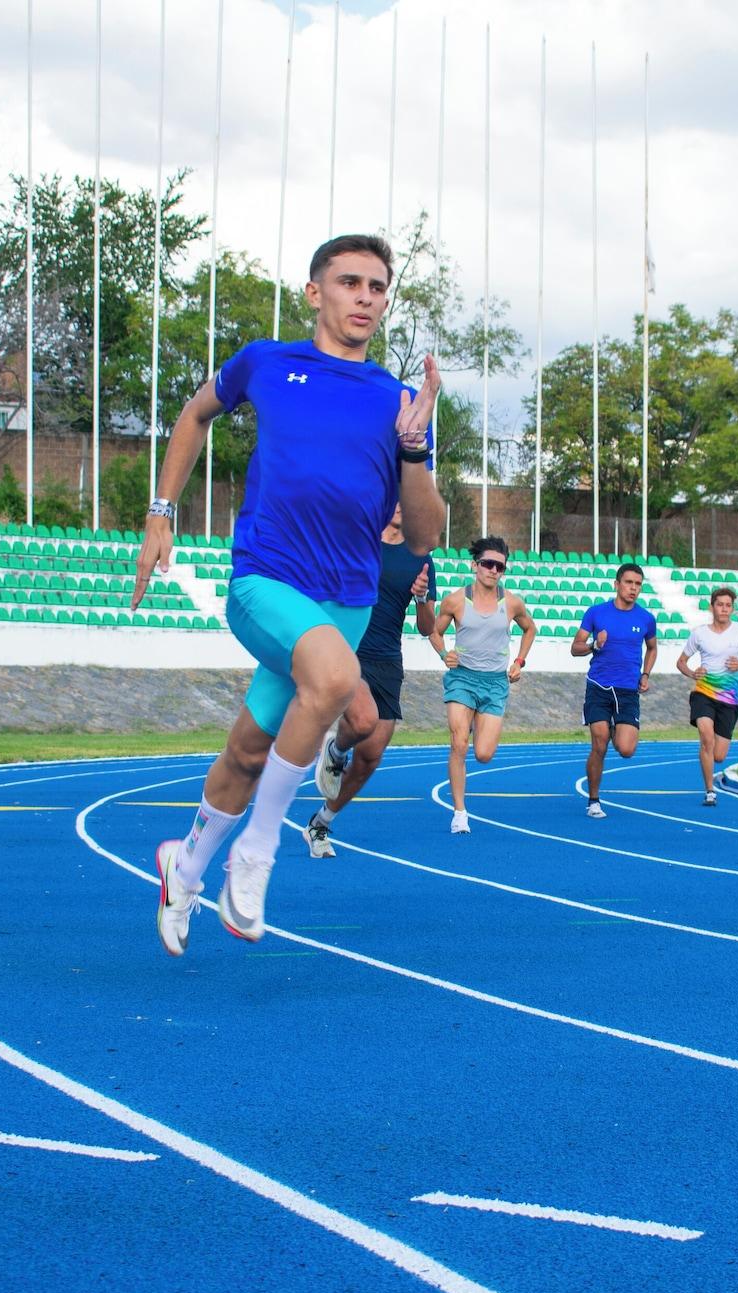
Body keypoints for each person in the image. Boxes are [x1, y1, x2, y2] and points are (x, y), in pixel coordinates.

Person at [132, 234, 442, 956]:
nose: (366, 296)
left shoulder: (399, 400)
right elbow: (194, 413)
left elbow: (424, 533)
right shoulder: (266, 362)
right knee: (336, 681)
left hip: (347, 599)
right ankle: (258, 850)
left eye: (377, 286)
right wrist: (161, 510)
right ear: (315, 292)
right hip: (265, 579)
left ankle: (186, 864)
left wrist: (415, 448)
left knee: (247, 749)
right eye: (350, 282)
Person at [303, 505, 437, 857]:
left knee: (371, 755)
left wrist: (422, 597)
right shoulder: (358, 539)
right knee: (362, 722)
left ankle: (321, 823)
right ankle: (335, 749)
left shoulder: (420, 557)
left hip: (388, 660)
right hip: (349, 648)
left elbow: (427, 627)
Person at [428, 535, 537, 833]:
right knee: (459, 744)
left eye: (499, 567)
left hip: (494, 684)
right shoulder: (455, 600)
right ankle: (460, 813)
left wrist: (519, 662)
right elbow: (432, 631)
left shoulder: (512, 603)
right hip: (462, 678)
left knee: (484, 754)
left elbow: (530, 630)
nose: (493, 570)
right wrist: (443, 653)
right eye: (488, 564)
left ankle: (475, 719)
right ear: (475, 565)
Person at [572, 562, 658, 818]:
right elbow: (575, 647)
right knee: (599, 745)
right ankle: (593, 800)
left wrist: (645, 673)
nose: (633, 588)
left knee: (626, 750)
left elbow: (652, 648)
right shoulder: (596, 613)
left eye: (638, 584)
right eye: (629, 582)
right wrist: (592, 645)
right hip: (598, 686)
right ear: (617, 584)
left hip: (628, 691)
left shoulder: (646, 618)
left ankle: (613, 728)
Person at [675, 586, 738, 805]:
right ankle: (709, 791)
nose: (724, 609)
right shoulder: (699, 634)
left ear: (732, 609)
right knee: (706, 737)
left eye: (728, 605)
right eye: (719, 605)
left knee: (719, 755)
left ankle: (709, 756)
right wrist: (692, 673)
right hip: (703, 693)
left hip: (729, 700)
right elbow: (681, 662)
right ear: (712, 607)